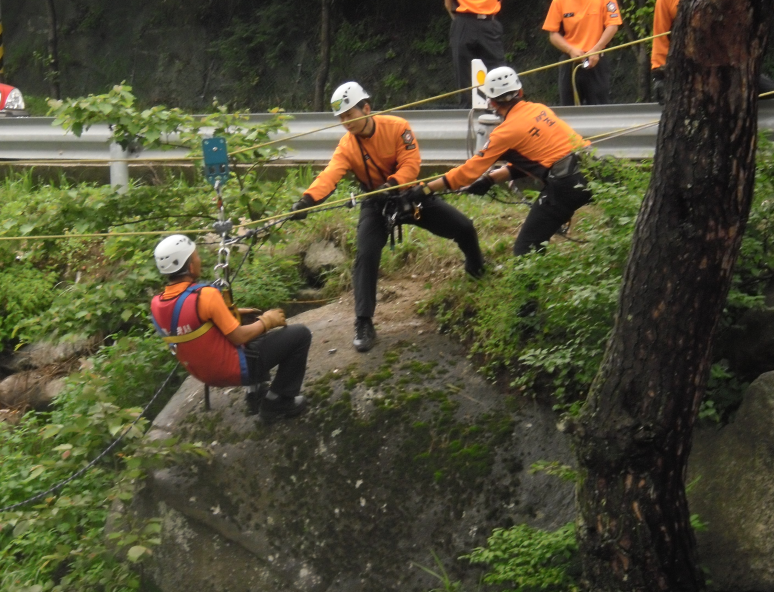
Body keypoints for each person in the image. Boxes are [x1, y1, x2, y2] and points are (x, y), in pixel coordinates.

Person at [289, 81, 485, 352]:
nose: (345, 122)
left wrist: (390, 185)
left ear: (366, 109)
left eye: (349, 115)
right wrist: (307, 201)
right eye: (341, 118)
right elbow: (330, 174)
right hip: (375, 204)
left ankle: (476, 269)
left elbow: (411, 164)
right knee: (366, 255)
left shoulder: (397, 127)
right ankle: (363, 322)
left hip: (409, 197)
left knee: (463, 226)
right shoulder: (347, 146)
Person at [415, 67, 592, 256]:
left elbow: (467, 173)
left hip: (565, 186)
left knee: (526, 250)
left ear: (491, 102)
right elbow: (535, 159)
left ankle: (531, 284)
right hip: (592, 168)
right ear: (520, 92)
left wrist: (426, 189)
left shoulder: (504, 133)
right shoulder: (540, 109)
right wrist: (490, 180)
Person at [150, 235, 310, 422]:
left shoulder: (155, 304)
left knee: (248, 322)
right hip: (236, 368)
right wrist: (267, 321)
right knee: (300, 335)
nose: (199, 260)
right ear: (191, 267)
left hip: (205, 375)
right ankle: (277, 402)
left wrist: (231, 314)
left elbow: (189, 323)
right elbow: (238, 337)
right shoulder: (205, 296)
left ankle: (255, 396)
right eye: (196, 256)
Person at [542, 0, 622, 106]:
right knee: (569, 109)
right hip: (570, 61)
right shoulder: (560, 0)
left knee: (599, 108)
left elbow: (613, 25)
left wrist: (596, 50)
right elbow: (553, 34)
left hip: (597, 59)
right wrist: (571, 50)